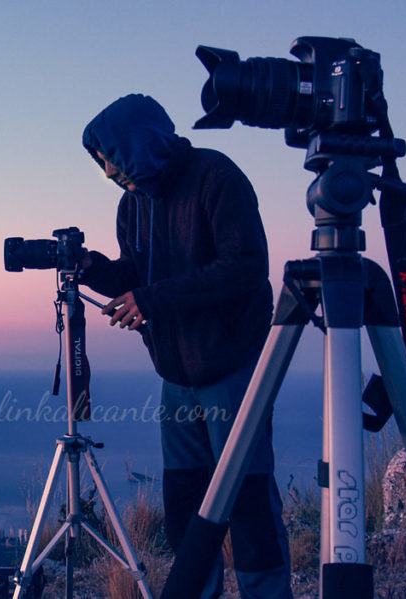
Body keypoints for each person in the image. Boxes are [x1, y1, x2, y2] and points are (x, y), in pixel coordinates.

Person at [78, 94, 292, 599]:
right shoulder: (131, 204)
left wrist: (152, 300)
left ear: (139, 143)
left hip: (232, 369)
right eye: (101, 162)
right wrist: (95, 269)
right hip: (175, 379)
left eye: (112, 157)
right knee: (184, 505)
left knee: (248, 502)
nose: (108, 172)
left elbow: (244, 266)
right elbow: (137, 271)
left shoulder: (216, 176)